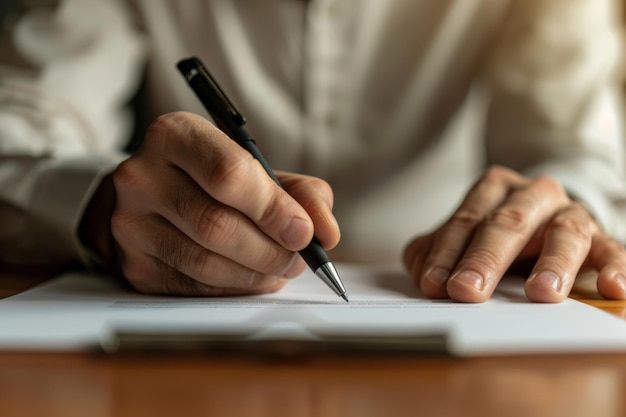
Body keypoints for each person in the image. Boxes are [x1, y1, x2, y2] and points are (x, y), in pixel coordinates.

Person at [1, 0, 625, 303]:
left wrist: (552, 211)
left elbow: (572, 146)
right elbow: (17, 125)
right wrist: (102, 210)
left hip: (452, 284)